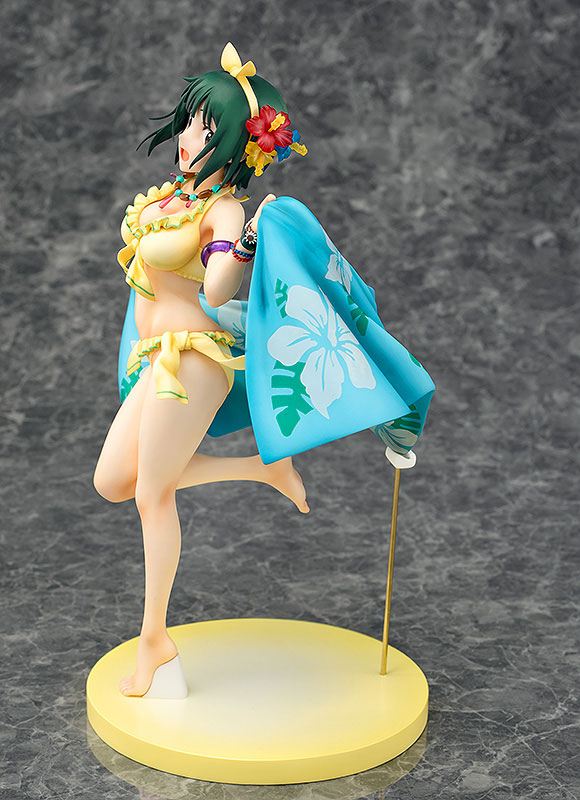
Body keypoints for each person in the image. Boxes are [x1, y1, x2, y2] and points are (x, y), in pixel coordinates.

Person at [94, 43, 435, 698]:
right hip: (157, 359)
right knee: (114, 481)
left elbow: (217, 289)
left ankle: (154, 640)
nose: (189, 138)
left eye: (207, 130)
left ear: (235, 146)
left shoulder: (222, 211)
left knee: (150, 495)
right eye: (190, 122)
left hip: (192, 363)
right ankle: (260, 468)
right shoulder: (173, 196)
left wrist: (243, 243)